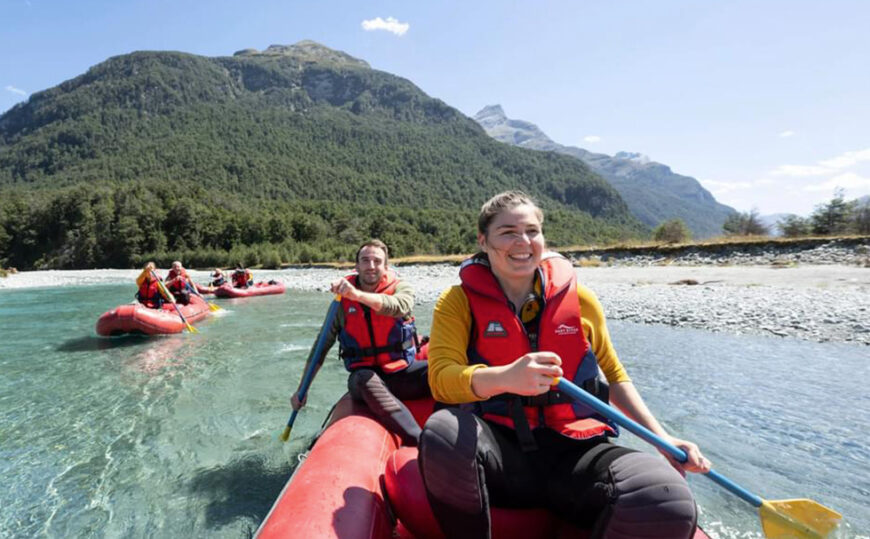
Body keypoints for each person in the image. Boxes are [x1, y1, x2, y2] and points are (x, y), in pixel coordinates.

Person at [418, 191, 710, 538]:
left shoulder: (580, 300)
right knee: (443, 433)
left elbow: (615, 376)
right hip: (500, 451)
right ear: (483, 240)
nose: (523, 241)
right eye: (508, 232)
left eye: (532, 231)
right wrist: (506, 378)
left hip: (576, 453)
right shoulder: (458, 302)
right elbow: (441, 380)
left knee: (667, 496)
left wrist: (662, 440)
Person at [290, 239, 429, 446]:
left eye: (377, 261)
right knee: (364, 378)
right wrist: (303, 389)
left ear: (386, 267)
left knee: (443, 370)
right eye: (365, 260)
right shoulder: (340, 304)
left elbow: (398, 307)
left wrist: (357, 295)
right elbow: (321, 347)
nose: (371, 266)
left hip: (400, 373)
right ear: (356, 267)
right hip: (364, 380)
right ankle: (420, 441)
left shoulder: (402, 289)